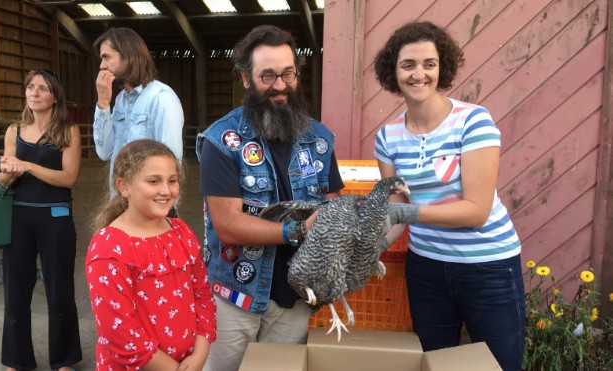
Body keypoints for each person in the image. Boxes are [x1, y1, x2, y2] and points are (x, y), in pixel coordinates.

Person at [373, 21, 525, 371]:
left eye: (429, 64)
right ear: (392, 72)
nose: (419, 74)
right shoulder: (387, 138)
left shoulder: (473, 122)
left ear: (442, 68)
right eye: (408, 65)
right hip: (426, 269)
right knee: (435, 364)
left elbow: (476, 211)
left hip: (488, 268)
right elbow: (394, 211)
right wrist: (367, 250)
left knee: (498, 365)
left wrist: (409, 215)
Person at [196, 25, 345, 371]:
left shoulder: (320, 139)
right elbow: (228, 225)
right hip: (234, 296)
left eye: (287, 74)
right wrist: (297, 231)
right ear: (246, 79)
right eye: (267, 76)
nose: (280, 86)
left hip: (294, 297)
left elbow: (335, 204)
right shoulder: (222, 141)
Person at [86, 139, 216, 370]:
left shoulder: (180, 232)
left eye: (172, 181)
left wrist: (201, 351)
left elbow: (203, 295)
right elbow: (119, 333)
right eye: (153, 181)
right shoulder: (109, 249)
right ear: (124, 186)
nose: (166, 190)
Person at [0, 69, 82, 371]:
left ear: (54, 96)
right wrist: (8, 171)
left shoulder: (68, 131)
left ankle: (65, 359)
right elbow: (4, 180)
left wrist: (28, 166)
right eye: (30, 87)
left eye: (42, 88)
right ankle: (16, 359)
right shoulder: (14, 130)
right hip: (19, 216)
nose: (34, 93)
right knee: (16, 289)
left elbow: (69, 178)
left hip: (55, 216)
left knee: (59, 290)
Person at [92, 27, 184, 203]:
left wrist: (165, 209)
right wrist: (103, 104)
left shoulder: (161, 97)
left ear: (128, 56)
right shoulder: (120, 100)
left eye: (107, 57)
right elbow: (104, 152)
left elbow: (171, 161)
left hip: (150, 207)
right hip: (120, 203)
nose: (102, 65)